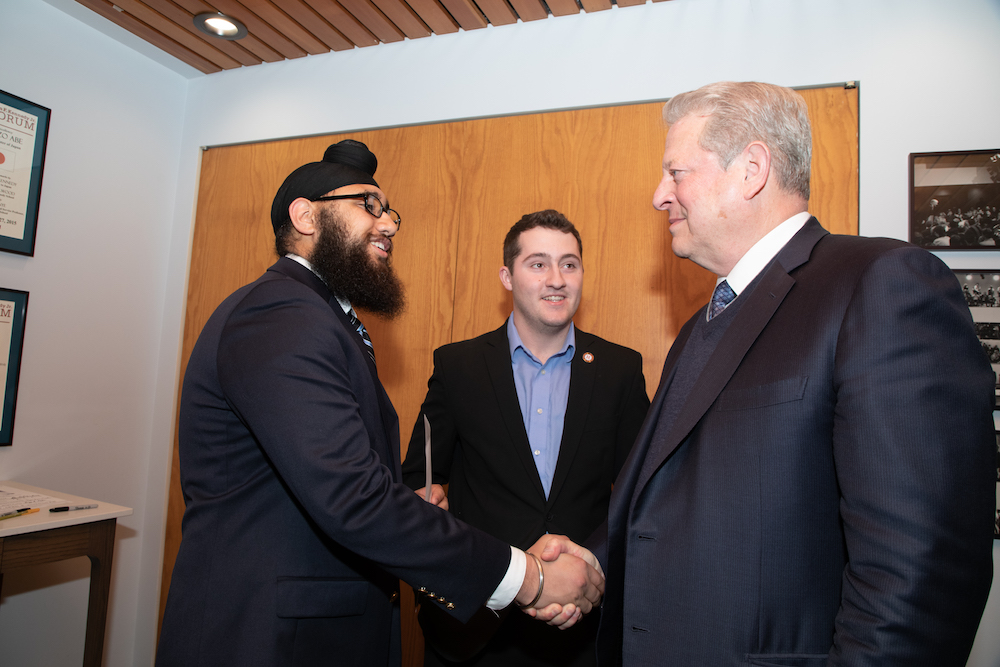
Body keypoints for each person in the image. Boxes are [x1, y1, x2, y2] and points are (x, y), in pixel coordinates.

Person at [540, 81, 996, 665]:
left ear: (751, 169)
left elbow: (919, 573)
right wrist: (596, 560)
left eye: (676, 173)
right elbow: (672, 495)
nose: (660, 196)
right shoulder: (700, 326)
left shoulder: (880, 286)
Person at [155, 140, 604, 667]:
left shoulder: (325, 319)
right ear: (305, 215)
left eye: (389, 210)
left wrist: (403, 504)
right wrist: (528, 579)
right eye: (368, 205)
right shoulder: (280, 313)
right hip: (266, 639)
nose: (388, 223)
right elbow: (352, 496)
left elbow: (331, 484)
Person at [401, 210, 650, 666]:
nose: (557, 279)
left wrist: (587, 570)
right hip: (477, 629)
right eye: (538, 264)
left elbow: (644, 495)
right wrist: (425, 495)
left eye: (569, 264)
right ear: (507, 276)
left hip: (582, 627)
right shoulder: (458, 367)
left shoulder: (619, 370)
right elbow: (420, 475)